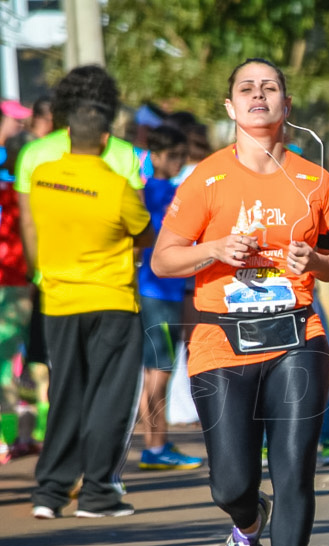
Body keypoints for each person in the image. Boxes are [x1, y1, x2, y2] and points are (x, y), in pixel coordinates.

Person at [151, 57, 329, 546]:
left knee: (294, 472)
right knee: (230, 483)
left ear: (286, 105)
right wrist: (214, 248)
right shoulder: (204, 179)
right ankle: (246, 520)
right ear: (229, 107)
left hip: (296, 335)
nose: (259, 96)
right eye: (247, 88)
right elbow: (164, 258)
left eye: (270, 88)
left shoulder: (315, 180)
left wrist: (313, 261)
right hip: (220, 338)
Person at [28, 102, 153, 519]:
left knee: (66, 391)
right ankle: (98, 492)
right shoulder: (116, 185)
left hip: (59, 302)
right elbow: (143, 232)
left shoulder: (42, 178)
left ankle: (49, 492)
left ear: (66, 135)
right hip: (110, 300)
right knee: (110, 397)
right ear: (105, 140)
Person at [136, 124, 202, 470]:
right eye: (172, 155)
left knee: (155, 370)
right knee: (159, 371)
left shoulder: (161, 190)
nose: (178, 162)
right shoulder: (158, 193)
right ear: (156, 155)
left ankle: (155, 444)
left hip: (165, 290)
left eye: (182, 156)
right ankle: (155, 446)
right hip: (158, 292)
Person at [0, 100, 33, 463]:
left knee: (9, 361)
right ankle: (15, 438)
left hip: (15, 281)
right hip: (18, 282)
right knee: (14, 361)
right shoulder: (23, 196)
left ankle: (12, 438)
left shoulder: (16, 195)